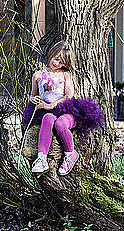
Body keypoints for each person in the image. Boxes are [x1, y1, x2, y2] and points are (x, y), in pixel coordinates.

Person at [22, 41, 104, 176]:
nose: (56, 63)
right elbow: (32, 94)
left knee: (60, 124)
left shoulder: (65, 75)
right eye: (55, 59)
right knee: (47, 118)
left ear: (65, 64)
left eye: (61, 62)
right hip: (46, 110)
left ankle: (70, 154)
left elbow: (68, 96)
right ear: (51, 54)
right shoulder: (38, 74)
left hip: (66, 109)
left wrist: (51, 105)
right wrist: (34, 99)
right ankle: (41, 158)